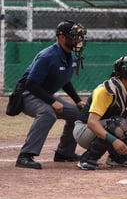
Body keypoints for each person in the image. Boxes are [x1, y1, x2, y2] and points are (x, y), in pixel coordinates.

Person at [15, 20, 87, 170]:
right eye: (74, 36)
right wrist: (52, 102)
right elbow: (31, 84)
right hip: (26, 94)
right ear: (61, 37)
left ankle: (64, 153)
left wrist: (78, 101)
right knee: (47, 113)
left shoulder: (70, 56)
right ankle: (25, 155)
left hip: (43, 94)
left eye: (79, 37)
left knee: (77, 113)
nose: (78, 40)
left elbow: (65, 81)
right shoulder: (47, 56)